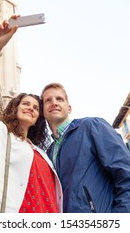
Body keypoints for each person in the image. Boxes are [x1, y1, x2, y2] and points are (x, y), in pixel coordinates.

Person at [0, 15, 63, 213]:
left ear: (38, 119)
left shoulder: (41, 152)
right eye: (26, 104)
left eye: (36, 108)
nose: (31, 108)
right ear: (15, 108)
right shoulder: (1, 134)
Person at [41, 82, 130, 213]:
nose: (54, 102)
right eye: (48, 100)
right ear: (42, 111)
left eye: (59, 99)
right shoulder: (48, 153)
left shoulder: (92, 126)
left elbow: (126, 173)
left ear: (69, 108)